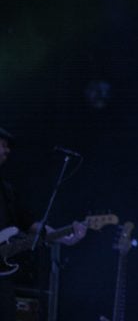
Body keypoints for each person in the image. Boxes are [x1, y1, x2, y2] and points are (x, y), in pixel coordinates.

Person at [0, 127, 87, 320]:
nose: (8, 151)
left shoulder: (7, 190)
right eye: (3, 145)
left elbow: (30, 223)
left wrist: (65, 237)